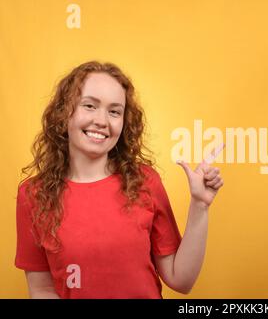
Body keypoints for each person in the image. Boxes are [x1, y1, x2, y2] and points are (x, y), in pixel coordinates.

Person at [14, 61, 224, 299]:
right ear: (64, 113)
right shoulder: (33, 195)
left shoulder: (144, 181)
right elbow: (42, 289)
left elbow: (181, 280)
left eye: (114, 111)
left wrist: (200, 206)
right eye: (90, 106)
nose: (102, 121)